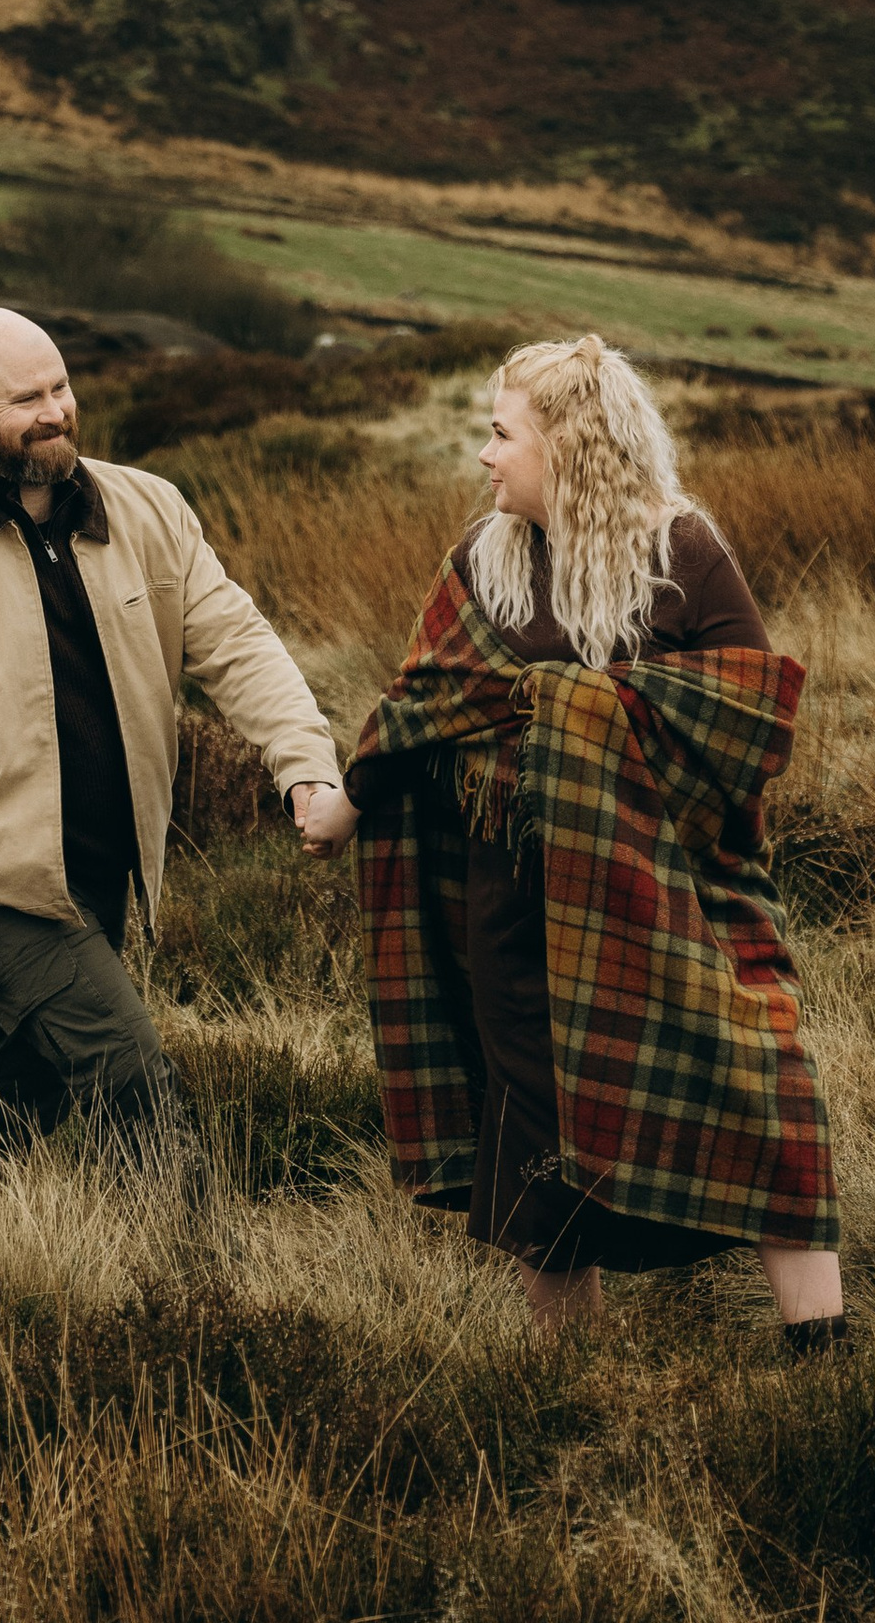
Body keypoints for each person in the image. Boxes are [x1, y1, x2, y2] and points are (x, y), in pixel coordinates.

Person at [297, 335, 845, 1347]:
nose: (484, 456)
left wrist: (578, 714)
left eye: (501, 435)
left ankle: (822, 1348)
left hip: (679, 890)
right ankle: (570, 1371)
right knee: (535, 1117)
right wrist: (347, 798)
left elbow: (749, 724)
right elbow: (425, 699)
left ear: (569, 447)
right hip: (514, 903)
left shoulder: (683, 555)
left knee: (762, 1084)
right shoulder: (485, 563)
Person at [0, 302, 344, 1164]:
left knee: (12, 1096)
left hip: (97, 860)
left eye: (61, 387)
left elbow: (236, 645)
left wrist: (305, 767)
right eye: (25, 399)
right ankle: (193, 1270)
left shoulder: (150, 510)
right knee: (127, 1072)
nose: (54, 411)